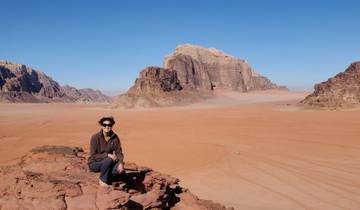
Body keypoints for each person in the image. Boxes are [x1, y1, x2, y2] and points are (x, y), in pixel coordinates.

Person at [88, 116, 124, 187]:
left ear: (112, 126)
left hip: (108, 163)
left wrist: (121, 163)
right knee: (109, 160)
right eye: (104, 125)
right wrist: (107, 155)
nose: (107, 127)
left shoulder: (115, 138)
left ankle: (108, 173)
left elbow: (119, 152)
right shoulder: (95, 137)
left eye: (109, 125)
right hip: (95, 163)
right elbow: (93, 155)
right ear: (101, 126)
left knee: (119, 170)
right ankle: (102, 180)